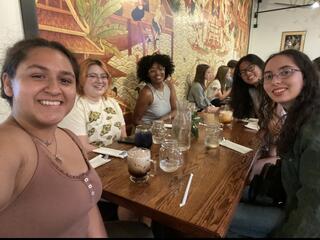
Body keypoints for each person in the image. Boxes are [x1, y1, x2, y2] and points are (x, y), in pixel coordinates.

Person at [0, 38, 107, 237]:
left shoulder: (70, 137)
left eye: (65, 80)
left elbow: (88, 206)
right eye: (38, 76)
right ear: (8, 84)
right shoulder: (8, 144)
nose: (54, 89)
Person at [228, 49, 320, 237]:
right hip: (284, 195)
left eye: (286, 72)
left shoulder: (314, 129)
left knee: (217, 215)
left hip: (295, 216)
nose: (275, 81)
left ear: (307, 75)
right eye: (269, 76)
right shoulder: (300, 114)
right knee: (225, 193)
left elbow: (313, 211)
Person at [59, 58, 126, 153]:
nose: (100, 81)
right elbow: (82, 146)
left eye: (103, 76)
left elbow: (123, 137)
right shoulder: (75, 105)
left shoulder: (112, 103)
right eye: (92, 76)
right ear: (81, 78)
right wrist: (117, 154)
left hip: (116, 157)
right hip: (90, 161)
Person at [133, 53, 177, 125]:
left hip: (164, 129)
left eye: (161, 69)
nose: (157, 73)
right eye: (152, 71)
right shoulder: (147, 93)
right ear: (147, 74)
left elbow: (175, 109)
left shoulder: (169, 85)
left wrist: (161, 120)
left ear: (165, 70)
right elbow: (136, 121)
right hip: (148, 132)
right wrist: (154, 128)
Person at [230, 54, 264, 119]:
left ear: (261, 66)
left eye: (251, 68)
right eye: (243, 72)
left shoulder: (272, 87)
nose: (248, 73)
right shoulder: (251, 91)